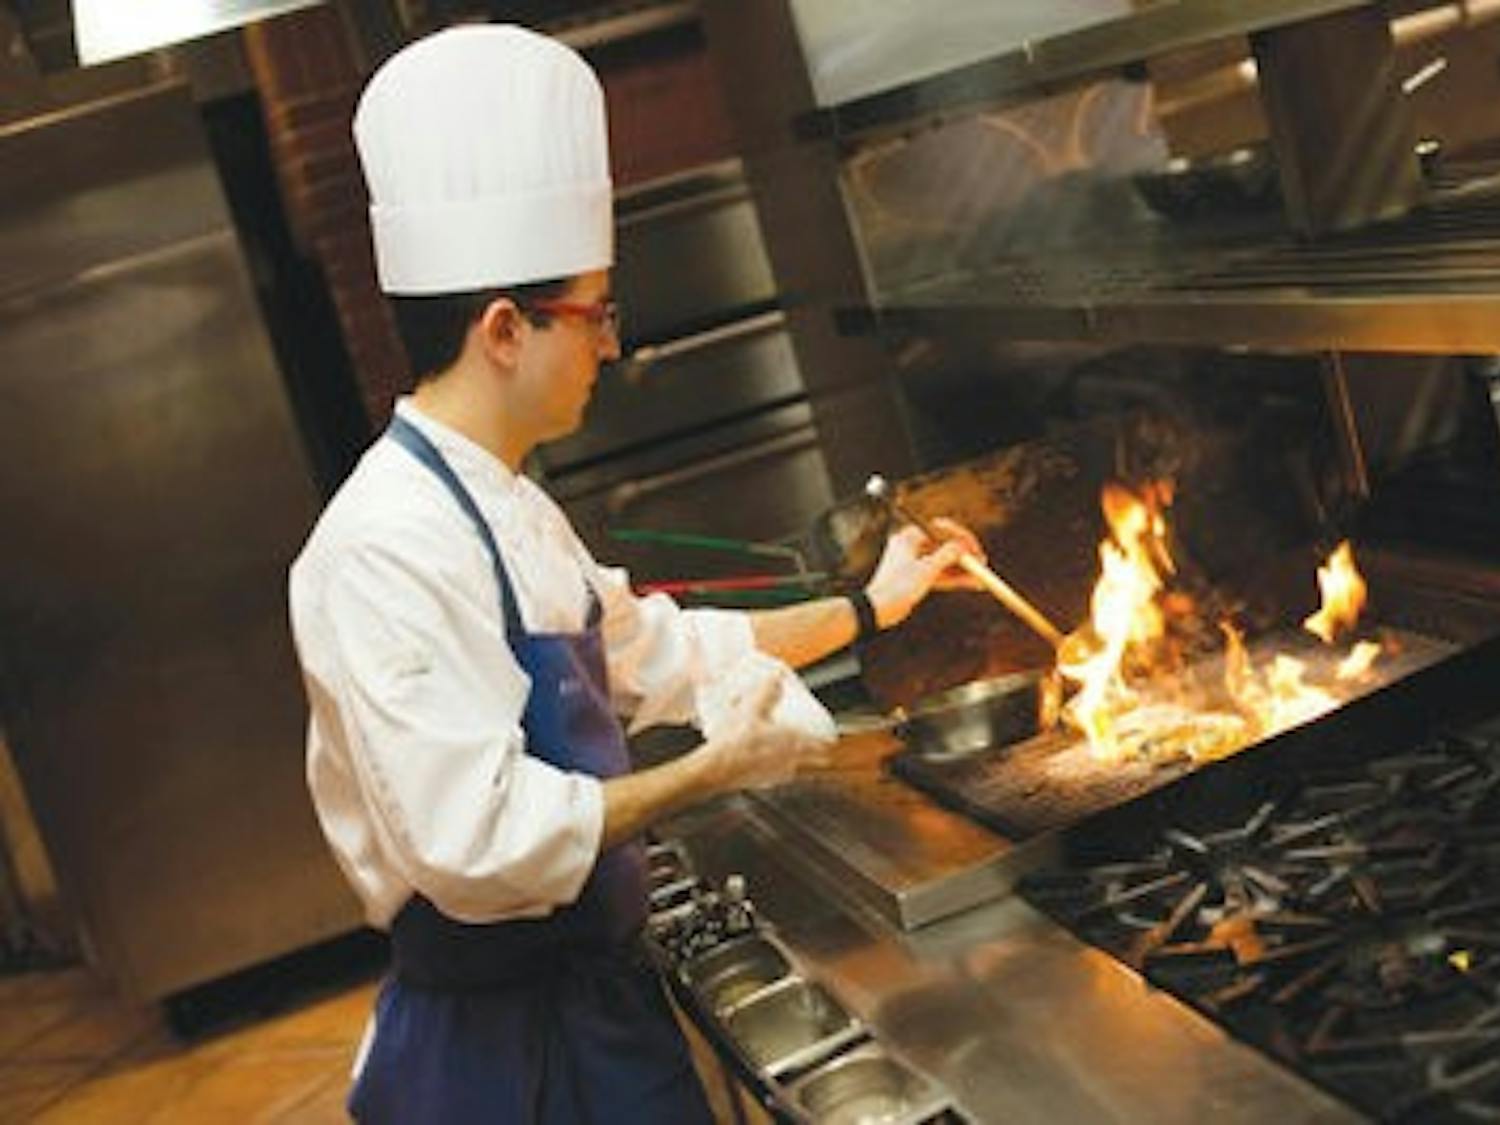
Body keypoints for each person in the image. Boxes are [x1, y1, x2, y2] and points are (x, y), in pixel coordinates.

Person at [287, 22, 982, 1125]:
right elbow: (482, 842)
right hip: (502, 1061)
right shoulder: (381, 550)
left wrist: (872, 602)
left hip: (601, 1013)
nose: (611, 344)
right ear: (506, 329)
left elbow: (659, 653)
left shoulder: (507, 502)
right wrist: (716, 771)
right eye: (594, 312)